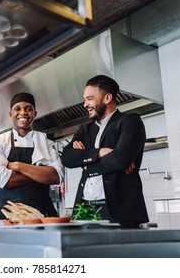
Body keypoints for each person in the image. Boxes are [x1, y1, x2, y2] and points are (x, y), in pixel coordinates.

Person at [61, 75, 149, 229]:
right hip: (85, 207)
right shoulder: (85, 129)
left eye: (89, 98)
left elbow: (120, 159)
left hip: (120, 208)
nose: (85, 104)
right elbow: (67, 158)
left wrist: (86, 164)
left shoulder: (129, 121)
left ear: (107, 98)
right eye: (85, 99)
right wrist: (100, 153)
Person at [0, 92, 64, 219]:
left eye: (29, 109)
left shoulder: (47, 143)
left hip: (43, 214)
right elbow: (0, 179)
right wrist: (41, 172)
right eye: (17, 109)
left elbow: (57, 176)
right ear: (11, 114)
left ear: (35, 114)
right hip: (8, 215)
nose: (23, 113)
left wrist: (17, 166)